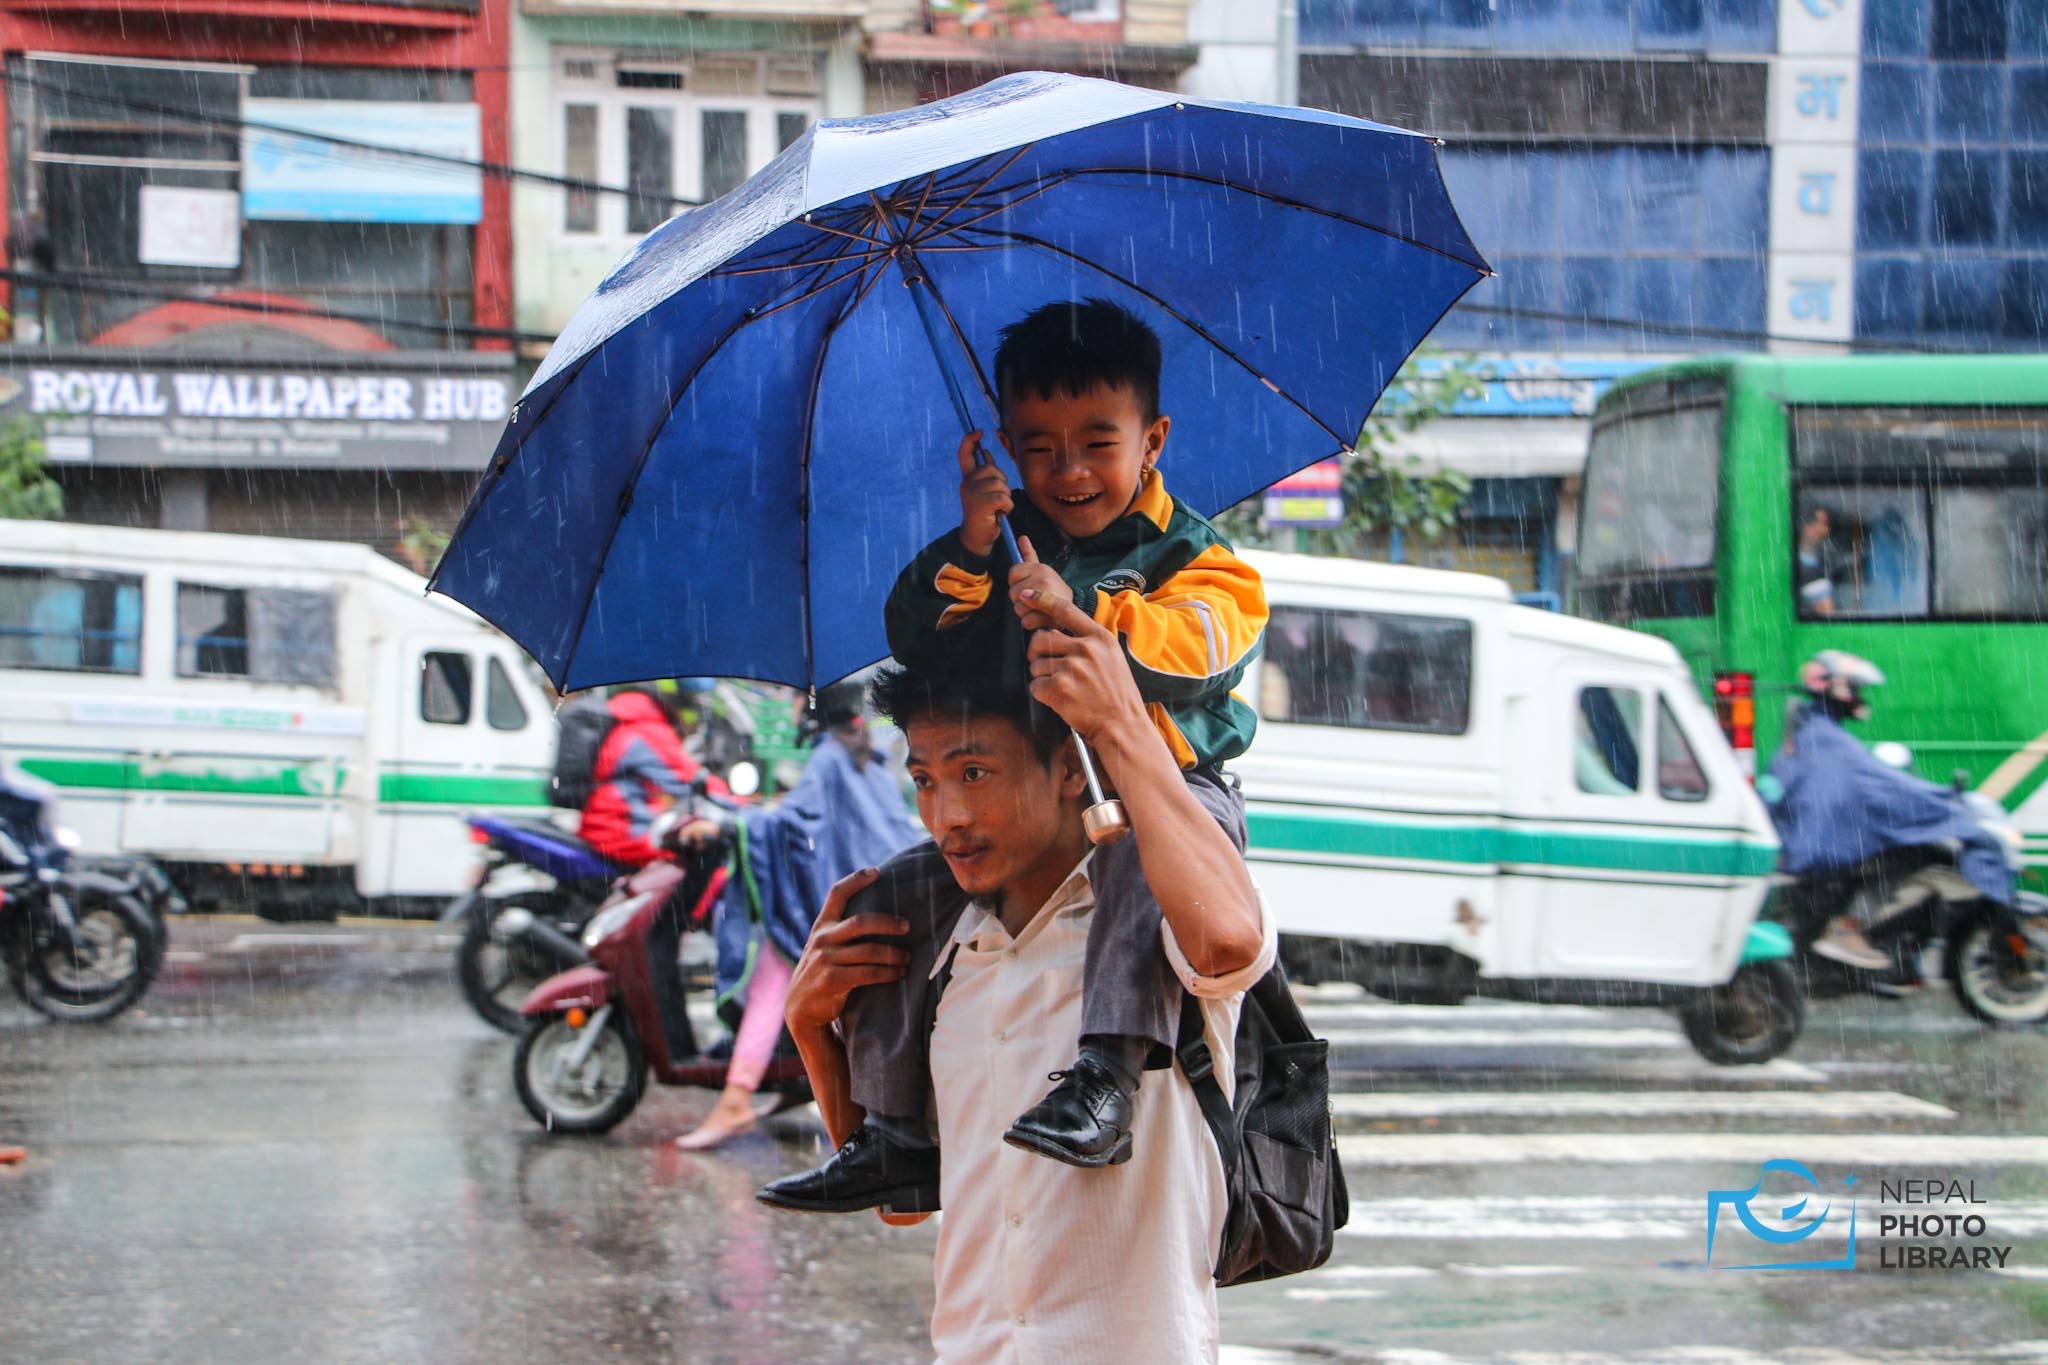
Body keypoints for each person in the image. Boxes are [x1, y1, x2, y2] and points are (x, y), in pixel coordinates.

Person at [765, 297, 1268, 1209]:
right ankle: (894, 1132)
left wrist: (1091, 611)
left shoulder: (1200, 553)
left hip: (1173, 788)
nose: (1068, 470)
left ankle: (1108, 1074)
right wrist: (971, 539)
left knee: (1138, 867)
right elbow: (915, 633)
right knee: (895, 900)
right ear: (1004, 444)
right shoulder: (1004, 541)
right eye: (1039, 447)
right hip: (1047, 801)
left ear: (1152, 439)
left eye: (1097, 442)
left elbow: (1204, 649)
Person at [769, 592, 1272, 1362]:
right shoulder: (944, 955)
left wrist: (1118, 719)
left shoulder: (1149, 926)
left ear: (1070, 769)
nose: (948, 816)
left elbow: (1231, 942)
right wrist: (813, 1030)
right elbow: (905, 1206)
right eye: (927, 780)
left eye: (975, 771)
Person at [675, 680, 921, 1150]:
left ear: (813, 707)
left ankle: (736, 1099)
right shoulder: (863, 755)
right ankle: (793, 1082)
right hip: (876, 894)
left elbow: (794, 826)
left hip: (844, 900)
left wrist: (730, 824)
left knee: (774, 964)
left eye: (793, 700)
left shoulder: (829, 755)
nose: (789, 710)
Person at [577, 686, 727, 868]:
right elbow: (684, 778)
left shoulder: (632, 722)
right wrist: (738, 803)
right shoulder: (648, 730)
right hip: (620, 829)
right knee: (687, 853)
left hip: (607, 822)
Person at [1796, 505, 1837, 617]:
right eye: (1823, 524)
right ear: (1807, 527)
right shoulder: (1798, 567)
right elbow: (1827, 613)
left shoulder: (1826, 561)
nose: (1826, 531)